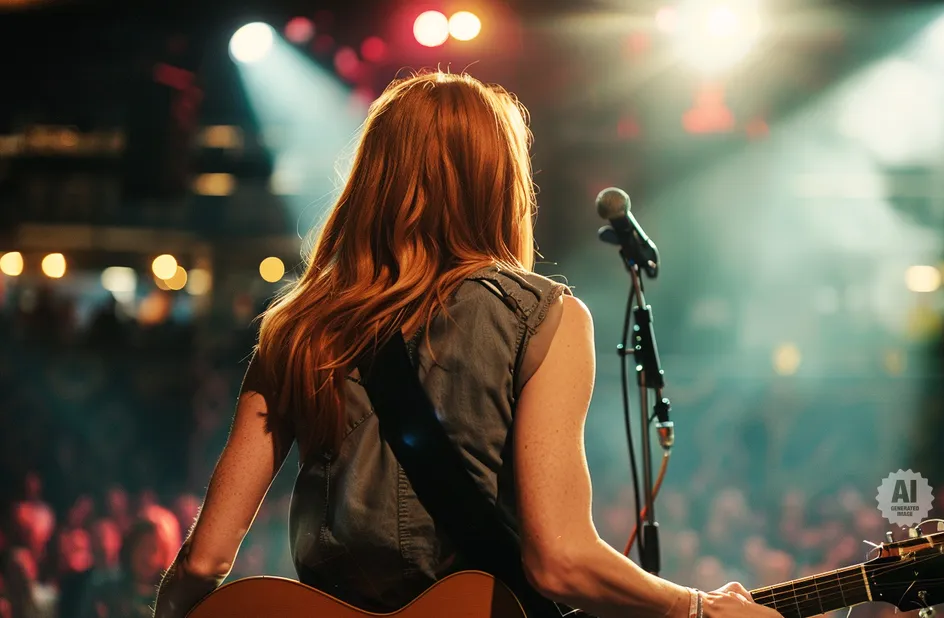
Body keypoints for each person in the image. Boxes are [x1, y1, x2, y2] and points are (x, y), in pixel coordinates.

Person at [153, 71, 780, 618]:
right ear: (498, 181)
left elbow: (206, 560)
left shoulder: (299, 326)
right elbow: (560, 562)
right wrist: (696, 608)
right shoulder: (545, 317)